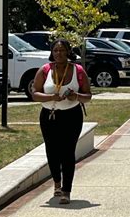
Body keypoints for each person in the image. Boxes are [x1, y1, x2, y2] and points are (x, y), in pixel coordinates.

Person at [32, 38, 92, 204]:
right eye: (55, 50)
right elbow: (35, 94)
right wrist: (52, 96)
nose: (58, 53)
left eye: (62, 50)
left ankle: (66, 190)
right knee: (52, 151)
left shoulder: (78, 70)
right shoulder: (44, 70)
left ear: (68, 52)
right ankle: (56, 183)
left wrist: (77, 96)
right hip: (49, 116)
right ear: (52, 53)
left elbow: (88, 96)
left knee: (67, 152)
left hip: (71, 116)